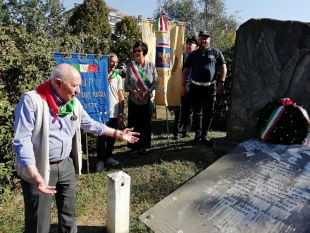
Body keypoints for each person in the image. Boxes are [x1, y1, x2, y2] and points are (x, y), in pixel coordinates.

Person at [13, 63, 139, 233]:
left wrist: (118, 134)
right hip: (38, 167)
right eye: (74, 85)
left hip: (65, 165)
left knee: (69, 215)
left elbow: (90, 124)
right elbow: (22, 140)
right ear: (58, 83)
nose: (78, 90)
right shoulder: (32, 101)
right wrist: (35, 174)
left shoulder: (73, 103)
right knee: (38, 223)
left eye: (79, 85)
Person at [181, 30, 227, 147]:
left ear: (209, 40)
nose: (204, 40)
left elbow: (223, 67)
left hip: (210, 88)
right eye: (201, 38)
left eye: (206, 38)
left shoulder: (216, 52)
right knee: (196, 112)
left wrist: (221, 82)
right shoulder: (193, 55)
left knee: (208, 112)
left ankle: (205, 135)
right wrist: (183, 85)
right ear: (199, 39)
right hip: (195, 88)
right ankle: (197, 135)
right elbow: (185, 71)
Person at [125, 40, 159, 158]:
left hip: (146, 99)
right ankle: (134, 147)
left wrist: (147, 91)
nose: (136, 53)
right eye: (134, 51)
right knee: (133, 124)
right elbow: (127, 85)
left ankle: (143, 146)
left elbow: (155, 82)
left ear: (144, 52)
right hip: (134, 100)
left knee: (145, 124)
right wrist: (135, 93)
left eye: (138, 50)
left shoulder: (151, 65)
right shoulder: (130, 66)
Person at [96, 52, 124, 173]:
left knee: (112, 136)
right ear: (106, 61)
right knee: (101, 137)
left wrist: (121, 113)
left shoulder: (117, 77)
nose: (114, 64)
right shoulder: (99, 75)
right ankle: (100, 161)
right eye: (112, 61)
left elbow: (120, 96)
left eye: (116, 62)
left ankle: (108, 157)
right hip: (101, 112)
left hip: (114, 112)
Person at [173, 35, 198, 140]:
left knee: (190, 110)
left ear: (196, 47)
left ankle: (186, 131)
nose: (188, 45)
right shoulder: (180, 57)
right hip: (182, 85)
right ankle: (177, 132)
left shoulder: (197, 58)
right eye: (187, 43)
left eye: (190, 44)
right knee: (180, 109)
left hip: (193, 86)